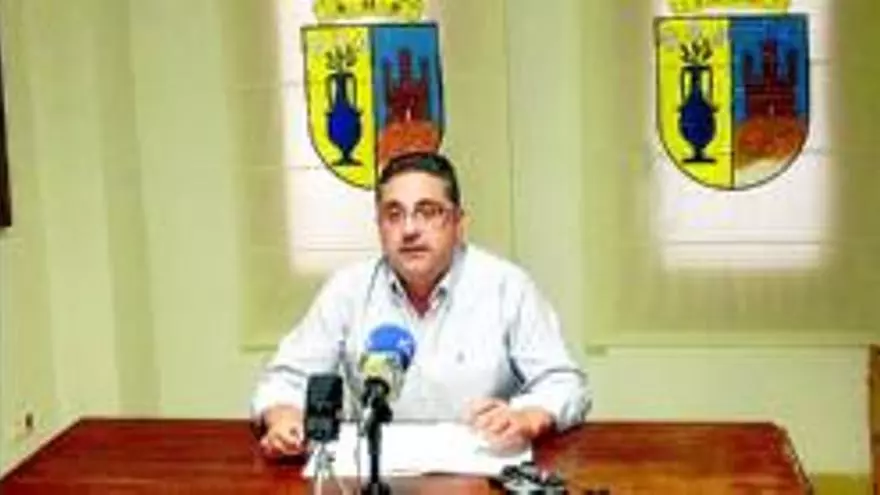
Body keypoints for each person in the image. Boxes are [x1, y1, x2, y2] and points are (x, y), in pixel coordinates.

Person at [251, 152, 590, 459]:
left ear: (458, 223)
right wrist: (284, 415)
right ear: (379, 227)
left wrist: (528, 416)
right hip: (377, 473)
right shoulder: (348, 290)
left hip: (481, 472)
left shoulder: (507, 287)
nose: (409, 229)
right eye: (394, 215)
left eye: (428, 212)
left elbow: (564, 382)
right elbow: (285, 379)